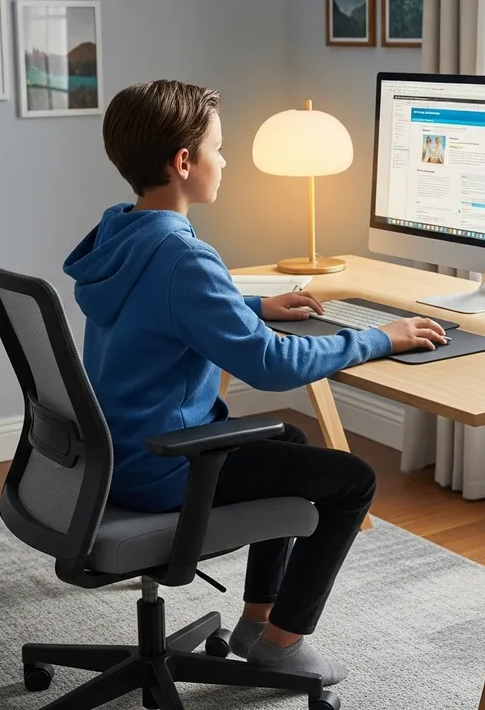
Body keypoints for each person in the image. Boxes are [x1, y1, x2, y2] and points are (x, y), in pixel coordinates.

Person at [63, 80, 447, 687]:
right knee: (353, 481)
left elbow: (163, 304)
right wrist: (382, 338)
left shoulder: (121, 233)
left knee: (290, 441)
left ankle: (257, 621)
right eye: (219, 148)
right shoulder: (185, 258)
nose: (226, 161)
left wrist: (253, 305)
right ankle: (284, 644)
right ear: (184, 163)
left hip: (115, 452)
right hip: (165, 467)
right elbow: (270, 367)